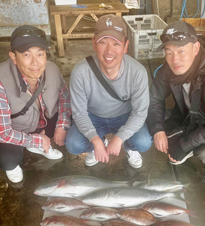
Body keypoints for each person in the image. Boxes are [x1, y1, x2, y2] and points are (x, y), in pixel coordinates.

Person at [147, 21, 205, 185]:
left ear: (196, 48)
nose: (174, 59)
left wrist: (184, 144)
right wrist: (158, 130)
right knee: (149, 124)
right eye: (168, 52)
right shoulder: (167, 70)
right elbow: (154, 98)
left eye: (181, 51)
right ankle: (185, 142)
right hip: (188, 119)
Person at [0, 25, 71, 183]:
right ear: (13, 57)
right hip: (11, 127)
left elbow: (64, 98)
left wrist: (62, 125)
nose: (35, 62)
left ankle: (37, 142)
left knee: (74, 127)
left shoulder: (53, 69)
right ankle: (31, 147)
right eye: (27, 55)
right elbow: (2, 133)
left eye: (40, 54)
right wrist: (37, 140)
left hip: (39, 120)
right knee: (8, 159)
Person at [65, 14, 152, 169]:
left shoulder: (138, 72)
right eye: (103, 42)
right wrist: (95, 140)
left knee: (143, 142)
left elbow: (140, 113)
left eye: (116, 44)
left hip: (124, 116)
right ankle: (99, 144)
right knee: (73, 144)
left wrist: (119, 138)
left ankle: (129, 148)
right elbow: (79, 113)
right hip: (93, 117)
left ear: (126, 46)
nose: (109, 51)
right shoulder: (80, 72)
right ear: (94, 43)